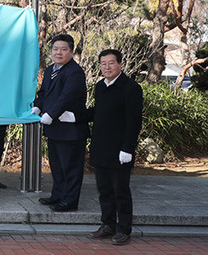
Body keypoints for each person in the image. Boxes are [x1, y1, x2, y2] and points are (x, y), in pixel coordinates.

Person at [87, 49, 143, 245]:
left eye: (111, 63)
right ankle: (108, 224)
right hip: (101, 147)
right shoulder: (100, 87)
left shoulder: (131, 88)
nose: (107, 67)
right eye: (103, 63)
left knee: (121, 191)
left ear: (120, 64)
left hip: (120, 151)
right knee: (104, 190)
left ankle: (123, 229)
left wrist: (128, 148)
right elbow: (98, 112)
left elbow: (134, 122)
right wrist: (75, 116)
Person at [32, 33, 88, 212]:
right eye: (55, 49)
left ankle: (70, 201)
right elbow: (44, 93)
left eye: (64, 49)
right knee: (56, 165)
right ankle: (58, 195)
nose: (59, 53)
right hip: (54, 128)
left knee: (70, 167)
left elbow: (66, 97)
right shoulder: (50, 70)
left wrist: (51, 114)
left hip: (70, 130)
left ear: (71, 52)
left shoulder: (75, 72)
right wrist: (38, 107)